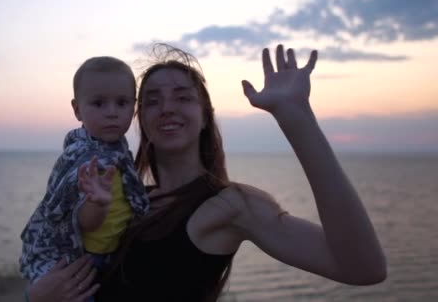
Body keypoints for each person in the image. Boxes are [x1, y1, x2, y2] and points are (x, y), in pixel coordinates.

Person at [26, 44, 387, 302]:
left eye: (183, 97)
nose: (167, 108)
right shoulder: (133, 202)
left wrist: (296, 117)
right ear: (139, 118)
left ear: (204, 115)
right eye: (151, 100)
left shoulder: (234, 205)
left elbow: (363, 267)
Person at [19, 56, 149, 300]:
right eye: (98, 103)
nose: (111, 112)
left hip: (108, 257)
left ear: (134, 107)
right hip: (78, 262)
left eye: (122, 103)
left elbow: (128, 197)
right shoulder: (86, 160)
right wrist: (97, 203)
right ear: (77, 109)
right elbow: (82, 221)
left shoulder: (118, 153)